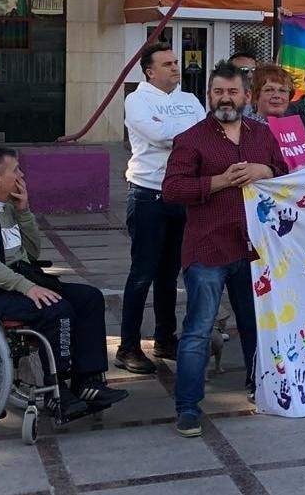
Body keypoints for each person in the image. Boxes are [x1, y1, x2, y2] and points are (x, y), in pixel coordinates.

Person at [0, 147, 129, 413]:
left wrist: (23, 211)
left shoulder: (7, 209)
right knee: (57, 309)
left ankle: (88, 380)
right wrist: (27, 287)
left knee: (89, 298)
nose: (22, 175)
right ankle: (57, 389)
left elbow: (31, 253)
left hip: (16, 282)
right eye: (16, 170)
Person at [162, 65, 292, 437]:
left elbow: (283, 172)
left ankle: (258, 385)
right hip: (208, 248)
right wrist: (219, 182)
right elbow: (172, 190)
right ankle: (187, 407)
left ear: (246, 97)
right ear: (209, 95)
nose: (225, 98)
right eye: (218, 91)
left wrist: (262, 170)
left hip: (253, 248)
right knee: (198, 330)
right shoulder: (191, 139)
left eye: (232, 92)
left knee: (256, 325)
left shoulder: (263, 135)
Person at [117, 44, 203, 375]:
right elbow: (160, 135)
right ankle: (127, 347)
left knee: (170, 274)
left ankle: (165, 338)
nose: (175, 68)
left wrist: (185, 135)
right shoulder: (137, 100)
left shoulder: (189, 99)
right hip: (148, 194)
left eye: (176, 62)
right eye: (167, 64)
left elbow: (202, 134)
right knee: (142, 274)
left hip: (182, 196)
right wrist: (190, 134)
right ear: (150, 72)